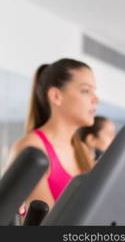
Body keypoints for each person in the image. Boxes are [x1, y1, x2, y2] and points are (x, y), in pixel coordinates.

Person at [7, 58, 98, 211]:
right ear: (56, 96)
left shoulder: (82, 150)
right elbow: (48, 222)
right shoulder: (31, 148)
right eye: (86, 91)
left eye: (94, 91)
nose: (96, 99)